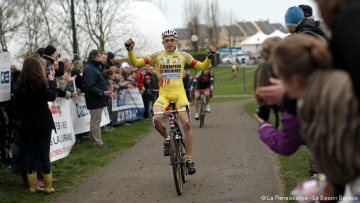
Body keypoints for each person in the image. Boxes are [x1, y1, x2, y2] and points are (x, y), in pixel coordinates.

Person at [125, 29, 216, 175]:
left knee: (186, 123)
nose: (169, 43)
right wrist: (130, 49)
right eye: (166, 41)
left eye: (172, 40)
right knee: (156, 119)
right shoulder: (157, 56)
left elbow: (203, 67)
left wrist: (209, 56)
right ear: (163, 43)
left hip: (179, 94)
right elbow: (135, 62)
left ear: (176, 41)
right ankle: (167, 139)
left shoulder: (183, 55)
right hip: (164, 95)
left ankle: (189, 159)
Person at [15, 57, 57, 194]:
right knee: (44, 154)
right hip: (43, 122)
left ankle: (33, 186)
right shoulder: (40, 84)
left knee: (33, 154)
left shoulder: (20, 85)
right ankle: (48, 186)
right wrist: (52, 81)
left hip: (28, 123)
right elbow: (51, 96)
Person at [83, 50, 117, 148]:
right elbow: (90, 86)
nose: (101, 59)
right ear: (95, 57)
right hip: (94, 98)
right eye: (100, 56)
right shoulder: (90, 69)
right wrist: (102, 92)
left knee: (96, 120)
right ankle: (97, 142)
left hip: (97, 97)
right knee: (95, 121)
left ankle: (96, 141)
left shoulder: (94, 67)